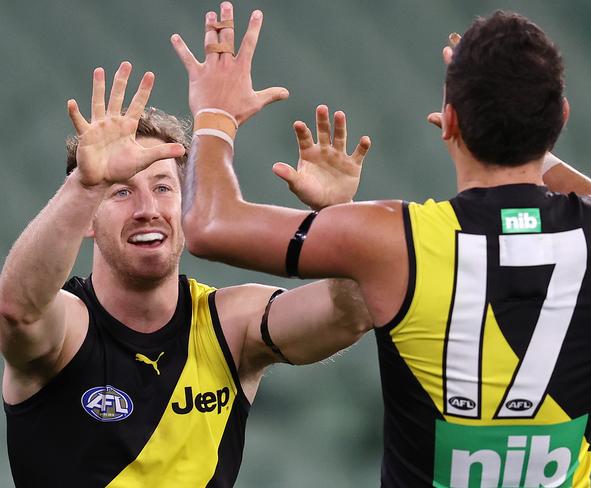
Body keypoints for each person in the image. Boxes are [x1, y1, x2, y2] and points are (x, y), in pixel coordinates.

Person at [177, 5, 591, 487]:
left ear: (449, 122)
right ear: (561, 118)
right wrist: (522, 119)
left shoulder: (392, 238)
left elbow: (210, 226)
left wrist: (216, 114)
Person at [0, 26, 374, 488]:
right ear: (87, 220)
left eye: (162, 188)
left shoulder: (230, 325)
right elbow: (16, 313)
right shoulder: (69, 327)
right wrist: (85, 183)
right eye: (120, 192)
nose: (148, 210)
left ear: (185, 203)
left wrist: (336, 216)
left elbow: (350, 316)